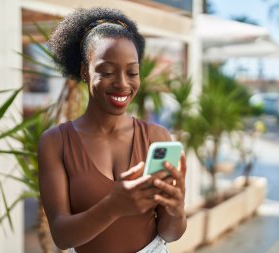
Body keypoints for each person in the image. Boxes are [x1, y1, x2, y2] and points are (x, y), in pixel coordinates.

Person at [38, 7, 187, 253]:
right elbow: (62, 237)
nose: (122, 83)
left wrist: (176, 208)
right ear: (85, 71)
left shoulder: (156, 137)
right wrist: (113, 206)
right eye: (107, 71)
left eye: (132, 72)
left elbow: (169, 233)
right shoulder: (56, 142)